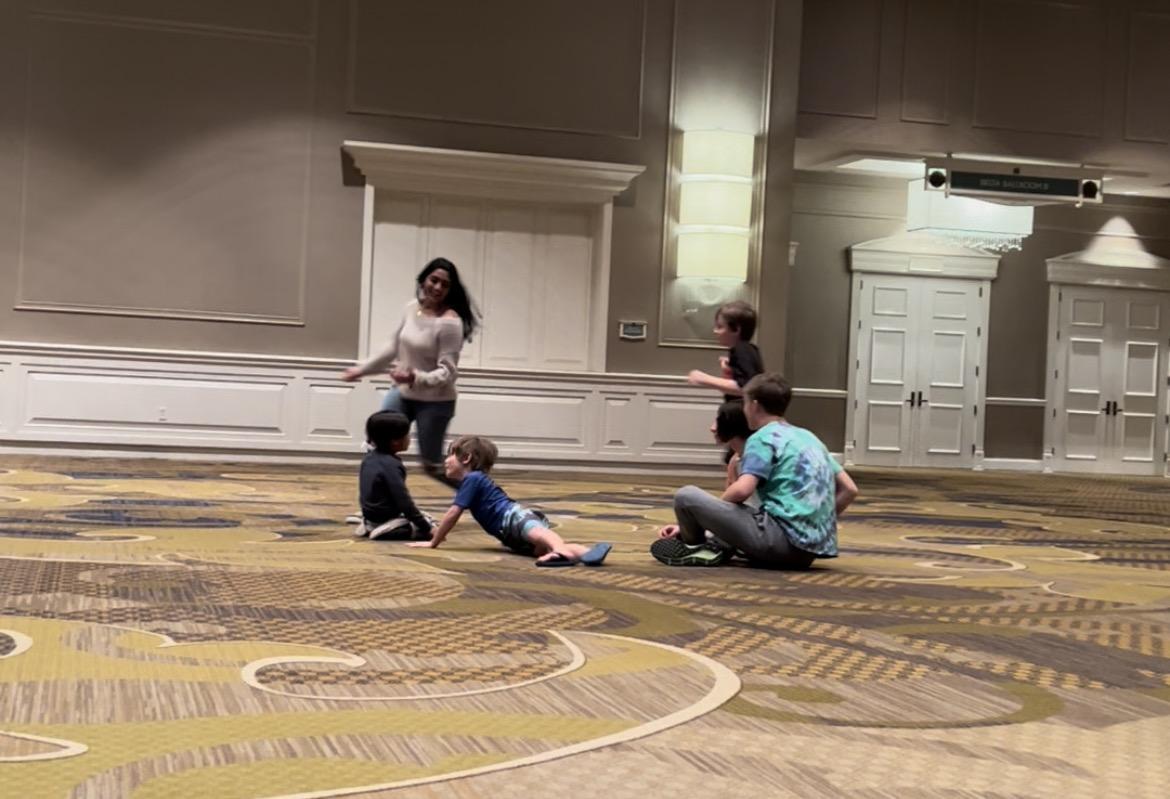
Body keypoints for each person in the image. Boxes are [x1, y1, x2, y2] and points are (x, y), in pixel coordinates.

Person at [652, 373, 858, 568]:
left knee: (686, 496)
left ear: (754, 405)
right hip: (807, 554)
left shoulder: (762, 438)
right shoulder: (809, 438)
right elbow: (849, 489)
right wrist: (816, 527)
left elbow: (742, 490)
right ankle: (715, 543)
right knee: (753, 512)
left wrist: (709, 517)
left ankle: (697, 547)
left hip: (777, 544)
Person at [342, 257, 478, 487]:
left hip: (435, 402)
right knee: (377, 445)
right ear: (423, 280)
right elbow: (392, 348)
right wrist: (361, 370)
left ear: (450, 289)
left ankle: (485, 497)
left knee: (433, 466)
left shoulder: (450, 323)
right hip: (403, 393)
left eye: (445, 285)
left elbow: (447, 373)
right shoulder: (411, 308)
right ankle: (377, 502)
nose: (437, 287)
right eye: (434, 280)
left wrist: (415, 376)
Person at [408, 435, 612, 568]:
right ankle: (585, 552)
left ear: (466, 458)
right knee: (540, 548)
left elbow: (454, 513)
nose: (445, 461)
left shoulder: (473, 479)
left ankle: (560, 550)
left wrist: (434, 542)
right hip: (506, 533)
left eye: (450, 455)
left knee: (539, 534)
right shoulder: (471, 481)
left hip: (512, 517)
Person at [355, 411, 433, 541]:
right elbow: (403, 500)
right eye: (407, 435)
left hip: (370, 516)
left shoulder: (369, 458)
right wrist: (427, 528)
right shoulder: (391, 465)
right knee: (426, 526)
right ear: (395, 441)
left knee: (423, 518)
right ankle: (387, 530)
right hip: (386, 517)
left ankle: (371, 526)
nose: (409, 438)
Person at [686, 300, 764, 401]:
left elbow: (745, 387)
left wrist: (703, 378)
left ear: (736, 329)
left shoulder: (741, 349)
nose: (715, 331)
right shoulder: (749, 349)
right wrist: (731, 370)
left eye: (720, 327)